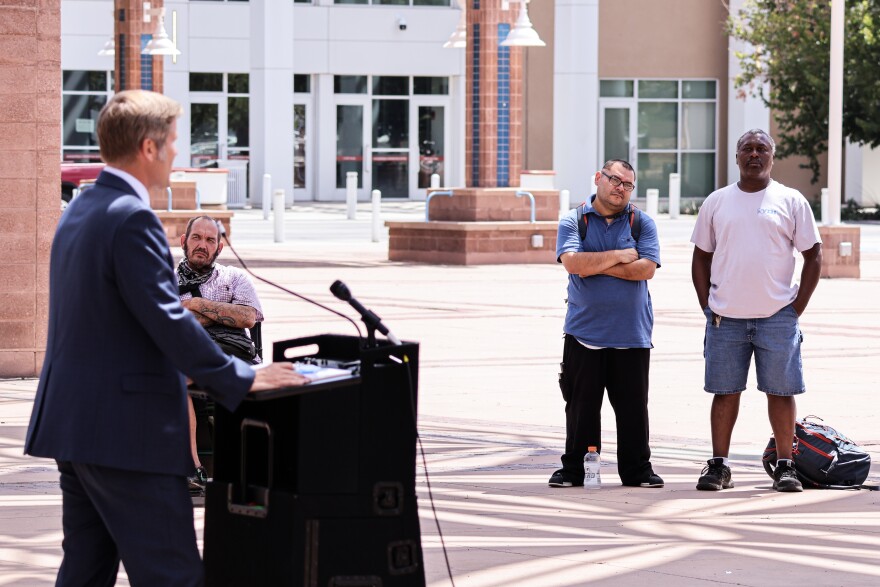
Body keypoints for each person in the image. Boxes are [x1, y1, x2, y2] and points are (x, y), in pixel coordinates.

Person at [24, 90, 309, 586]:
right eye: (174, 142)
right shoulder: (132, 219)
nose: (179, 152)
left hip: (74, 426)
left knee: (86, 572)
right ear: (149, 148)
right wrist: (244, 377)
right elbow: (167, 321)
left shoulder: (80, 209)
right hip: (125, 433)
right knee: (172, 575)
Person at [691, 129, 822, 493]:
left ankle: (786, 466)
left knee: (781, 392)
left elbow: (814, 255)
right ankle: (719, 466)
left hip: (777, 316)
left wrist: (797, 307)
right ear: (736, 157)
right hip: (725, 317)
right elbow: (701, 257)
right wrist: (707, 303)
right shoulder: (717, 202)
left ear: (771, 157)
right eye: (746, 148)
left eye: (761, 148)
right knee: (725, 391)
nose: (754, 154)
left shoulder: (791, 200)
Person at [550, 159, 664, 489]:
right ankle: (575, 469)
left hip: (632, 333)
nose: (620, 188)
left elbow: (646, 270)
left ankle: (638, 470)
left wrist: (594, 265)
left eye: (628, 184)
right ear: (599, 178)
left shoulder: (642, 224)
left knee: (633, 409)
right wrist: (620, 255)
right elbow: (572, 262)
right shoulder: (574, 221)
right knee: (581, 407)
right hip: (584, 333)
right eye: (615, 180)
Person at [177, 214, 264, 494]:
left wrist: (197, 304)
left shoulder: (234, 278)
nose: (203, 244)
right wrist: (221, 314)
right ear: (183, 241)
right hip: (184, 353)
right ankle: (193, 468)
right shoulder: (161, 277)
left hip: (231, 352)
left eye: (210, 240)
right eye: (196, 238)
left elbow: (248, 317)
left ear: (219, 247)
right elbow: (159, 320)